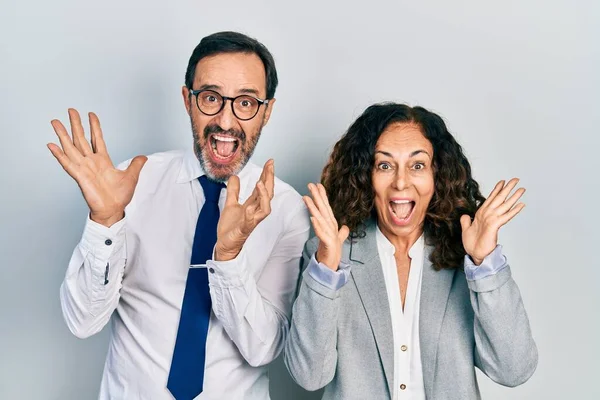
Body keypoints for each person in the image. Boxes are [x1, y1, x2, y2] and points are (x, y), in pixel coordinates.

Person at [48, 31, 309, 400]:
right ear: (188, 100)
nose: (226, 120)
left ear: (266, 112)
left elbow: (263, 348)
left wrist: (229, 258)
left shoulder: (284, 209)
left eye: (246, 103)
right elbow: (82, 321)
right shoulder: (130, 186)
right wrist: (105, 220)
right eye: (211, 98)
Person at [284, 103, 538, 399]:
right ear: (366, 177)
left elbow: (513, 369)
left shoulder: (466, 260)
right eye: (385, 165)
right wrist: (326, 270)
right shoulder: (327, 256)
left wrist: (485, 264)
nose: (401, 182)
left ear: (437, 177)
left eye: (417, 165)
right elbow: (309, 375)